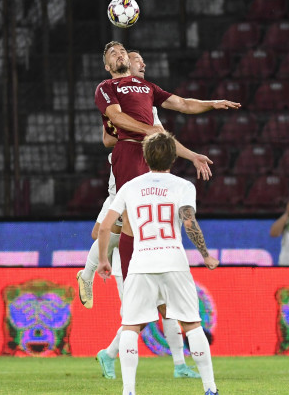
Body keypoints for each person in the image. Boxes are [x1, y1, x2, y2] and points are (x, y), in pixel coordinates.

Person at [76, 50, 209, 379]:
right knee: (113, 228)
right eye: (136, 61)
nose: (142, 67)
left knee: (157, 307)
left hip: (147, 216)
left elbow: (156, 136)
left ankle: (175, 364)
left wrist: (191, 155)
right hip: (123, 186)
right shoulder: (114, 93)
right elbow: (111, 134)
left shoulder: (147, 106)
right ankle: (88, 273)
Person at [96, 132, 220, 395]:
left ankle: (128, 391)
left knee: (130, 326)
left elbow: (106, 226)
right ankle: (210, 388)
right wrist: (206, 255)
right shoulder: (183, 186)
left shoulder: (130, 186)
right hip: (174, 260)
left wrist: (104, 260)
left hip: (142, 263)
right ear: (173, 158)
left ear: (145, 156)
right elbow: (189, 222)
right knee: (192, 324)